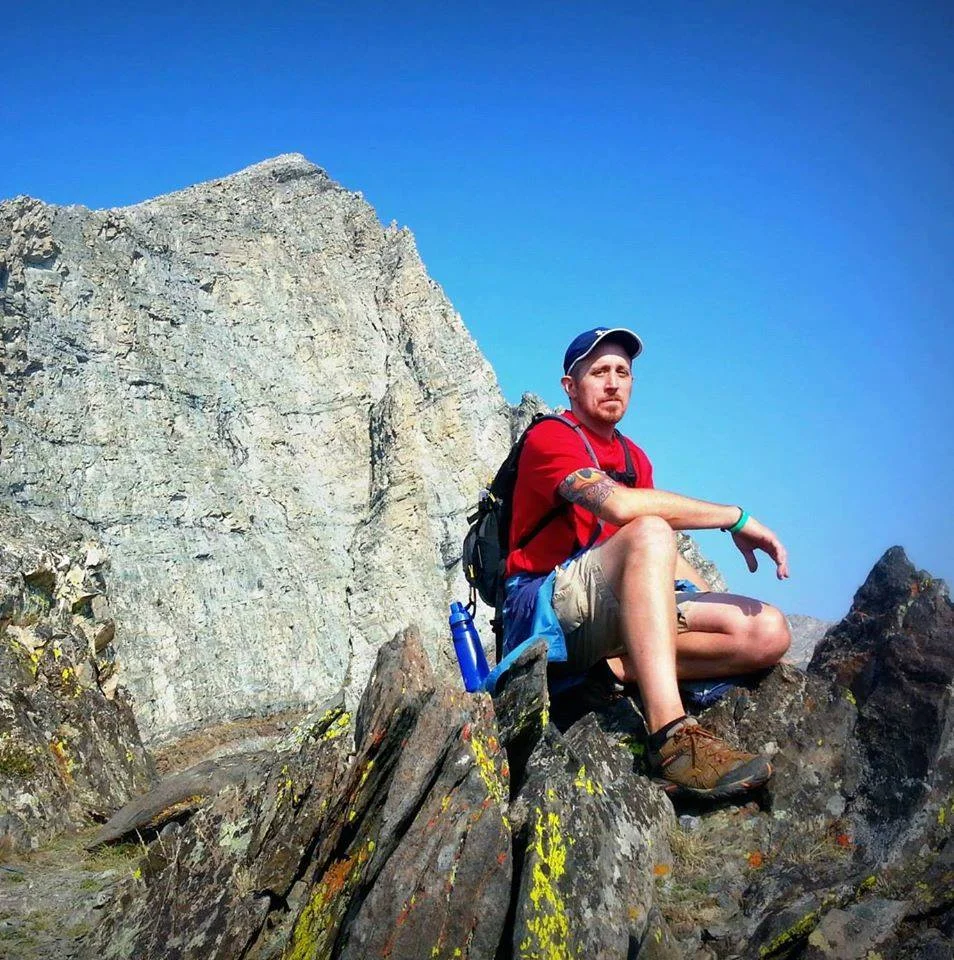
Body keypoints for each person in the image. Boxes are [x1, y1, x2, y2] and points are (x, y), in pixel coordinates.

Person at [502, 327, 791, 799]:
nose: (613, 382)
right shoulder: (550, 437)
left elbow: (661, 558)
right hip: (544, 614)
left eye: (622, 372)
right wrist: (734, 518)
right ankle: (672, 741)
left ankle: (616, 670)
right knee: (651, 527)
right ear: (570, 386)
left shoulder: (634, 457)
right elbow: (621, 510)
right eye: (599, 372)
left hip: (607, 611)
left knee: (768, 631)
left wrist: (707, 605)